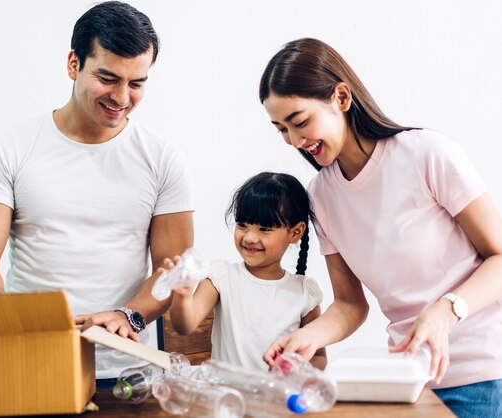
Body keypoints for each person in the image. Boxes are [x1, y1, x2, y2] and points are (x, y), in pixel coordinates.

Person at [259, 37, 502, 417]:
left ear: (341, 97)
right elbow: (350, 304)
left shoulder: (426, 154)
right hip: (406, 378)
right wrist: (306, 337)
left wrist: (445, 310)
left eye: (300, 122)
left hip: (480, 374)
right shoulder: (321, 195)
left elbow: (500, 257)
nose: (294, 141)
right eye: (281, 130)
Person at [0, 1, 194, 383]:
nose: (121, 97)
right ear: (73, 64)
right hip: (31, 361)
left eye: (136, 83)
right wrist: (2, 312)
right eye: (108, 78)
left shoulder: (163, 158)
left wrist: (127, 316)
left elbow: (174, 267)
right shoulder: (9, 148)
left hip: (128, 371)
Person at [169, 172, 326, 371]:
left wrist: (295, 369)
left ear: (295, 232)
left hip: (275, 398)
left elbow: (319, 358)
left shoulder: (305, 291)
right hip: (228, 397)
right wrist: (182, 296)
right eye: (242, 225)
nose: (250, 237)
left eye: (264, 229)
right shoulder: (221, 276)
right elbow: (185, 326)